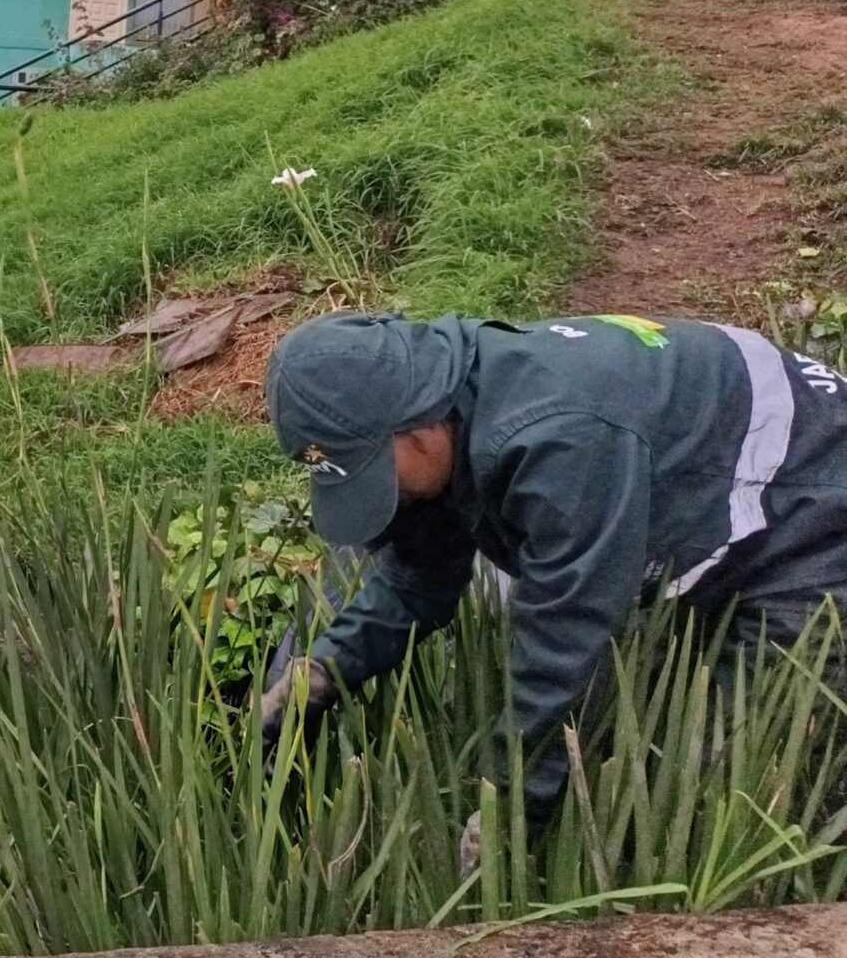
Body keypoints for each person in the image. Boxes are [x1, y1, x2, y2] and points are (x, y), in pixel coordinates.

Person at [259, 310, 847, 860]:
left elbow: (569, 637)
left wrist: (508, 810)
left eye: (373, 472)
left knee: (722, 771)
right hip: (714, 476)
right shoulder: (455, 402)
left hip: (818, 507)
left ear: (417, 431)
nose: (389, 497)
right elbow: (420, 573)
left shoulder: (558, 439)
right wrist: (324, 669)